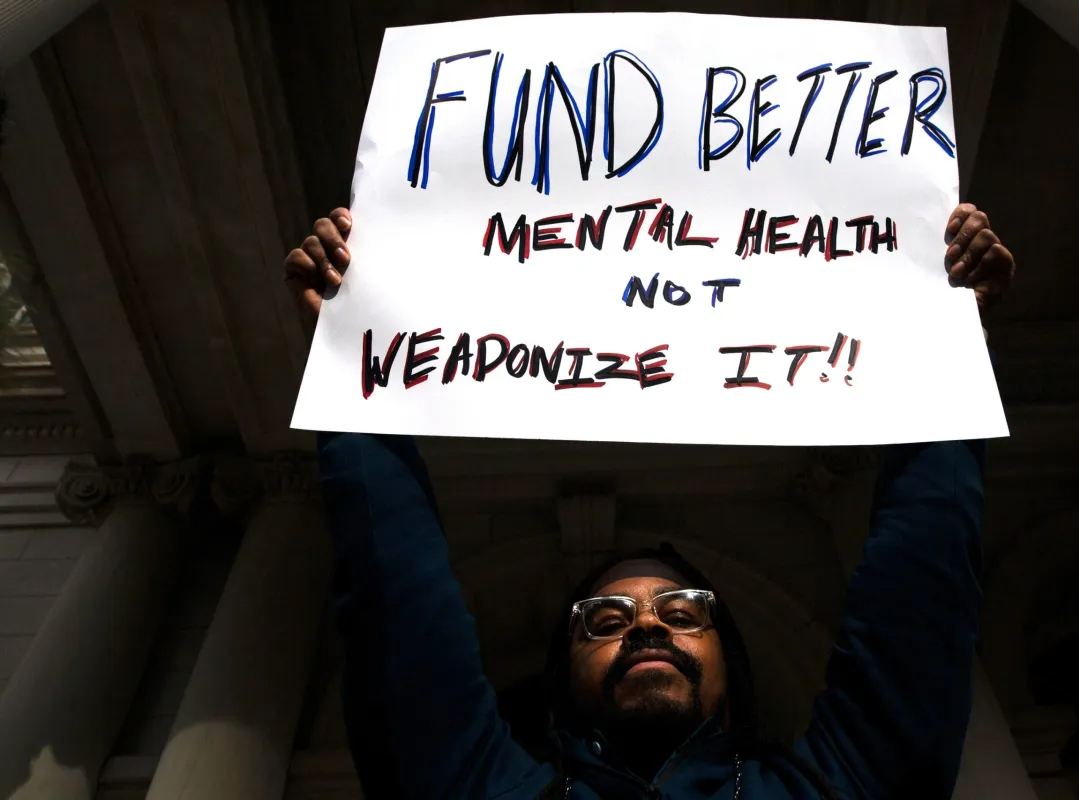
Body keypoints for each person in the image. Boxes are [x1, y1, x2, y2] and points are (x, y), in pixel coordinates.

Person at [284, 203, 1015, 798]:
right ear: (563, 680)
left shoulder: (838, 787)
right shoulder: (481, 789)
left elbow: (918, 599)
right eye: (603, 620)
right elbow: (397, 600)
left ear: (731, 662)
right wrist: (353, 350)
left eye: (681, 611)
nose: (645, 627)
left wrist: (947, 346)